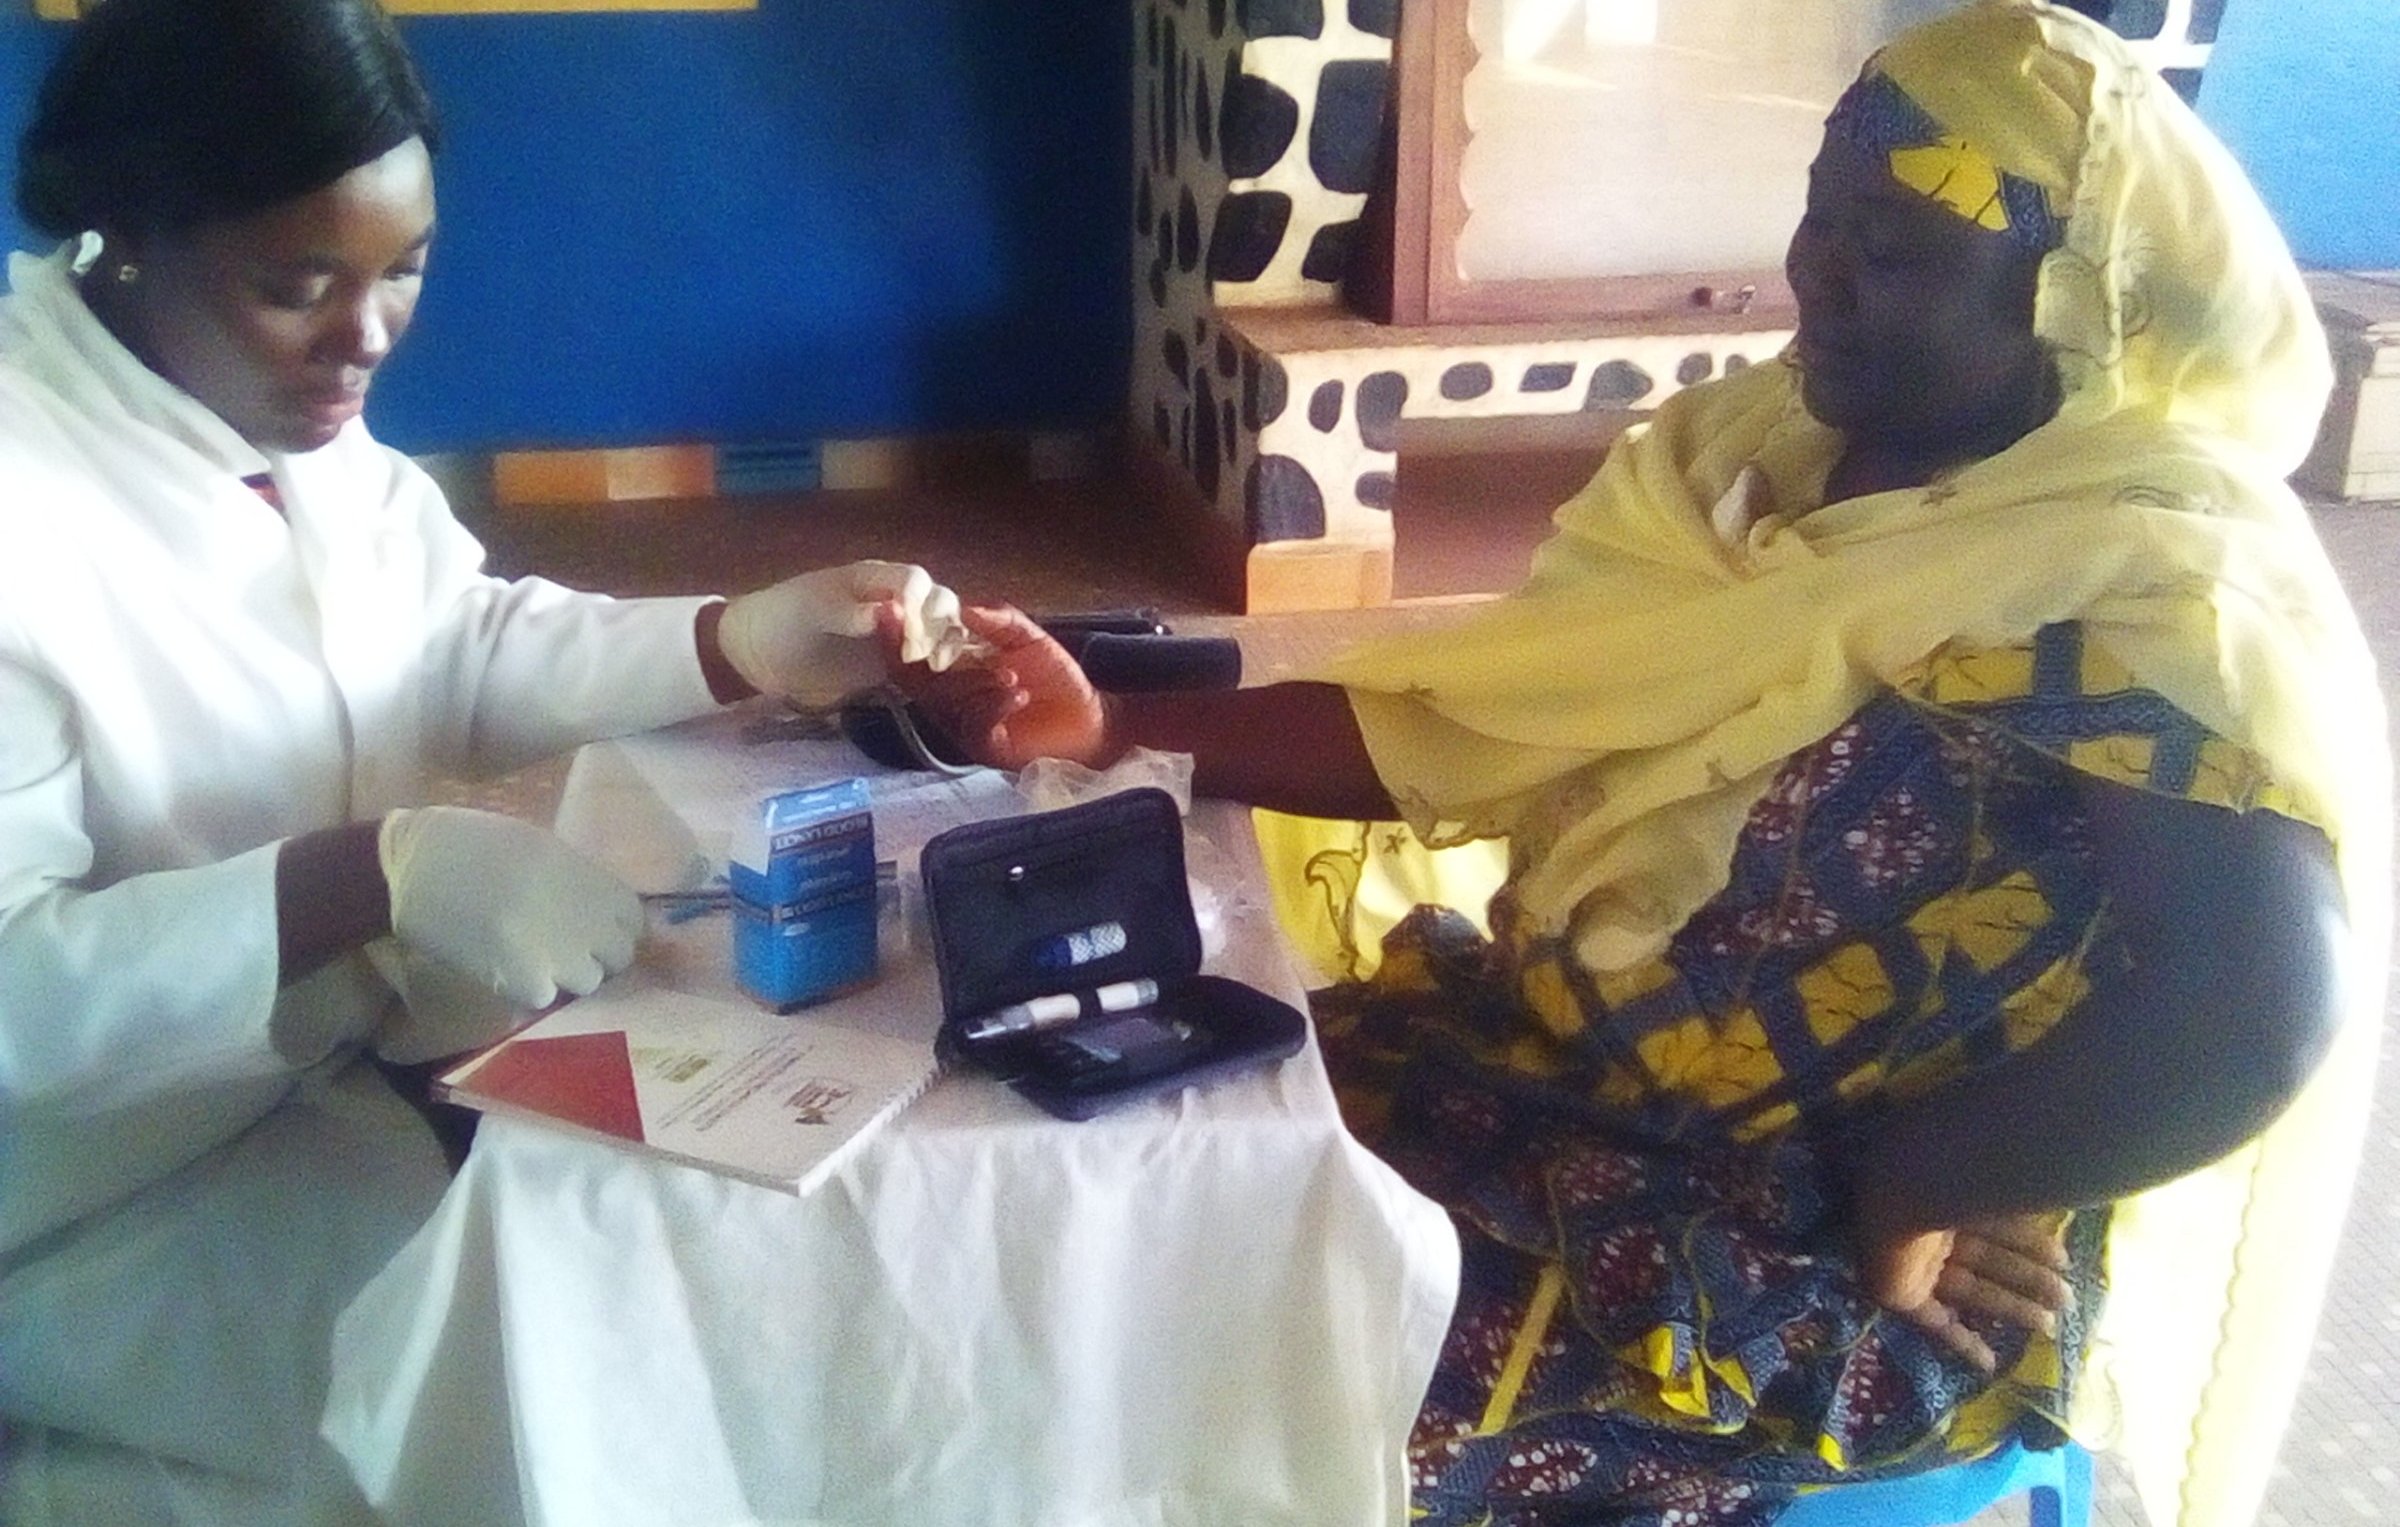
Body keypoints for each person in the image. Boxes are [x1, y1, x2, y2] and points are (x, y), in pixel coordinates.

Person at [904, 3, 2389, 1523]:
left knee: (1260, 1381)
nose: (1820, 268)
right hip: (1544, 1081)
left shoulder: (2143, 586)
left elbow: (2258, 1010)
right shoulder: (1744, 466)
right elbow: (1479, 718)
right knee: (1097, 1192)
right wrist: (1117, 728)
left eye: (1894, 247)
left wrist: (1927, 1176)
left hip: (1790, 1260)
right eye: (1823, 212)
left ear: (2070, 305)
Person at [0, 2, 976, 1522]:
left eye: (405, 270)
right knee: (518, 1450)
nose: (366, 338)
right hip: (74, 1207)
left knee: (671, 1340)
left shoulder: (253, 408)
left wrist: (740, 638)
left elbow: (443, 642)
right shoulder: (23, 497)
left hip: (288, 1108)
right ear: (126, 233)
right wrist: (366, 876)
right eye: (295, 286)